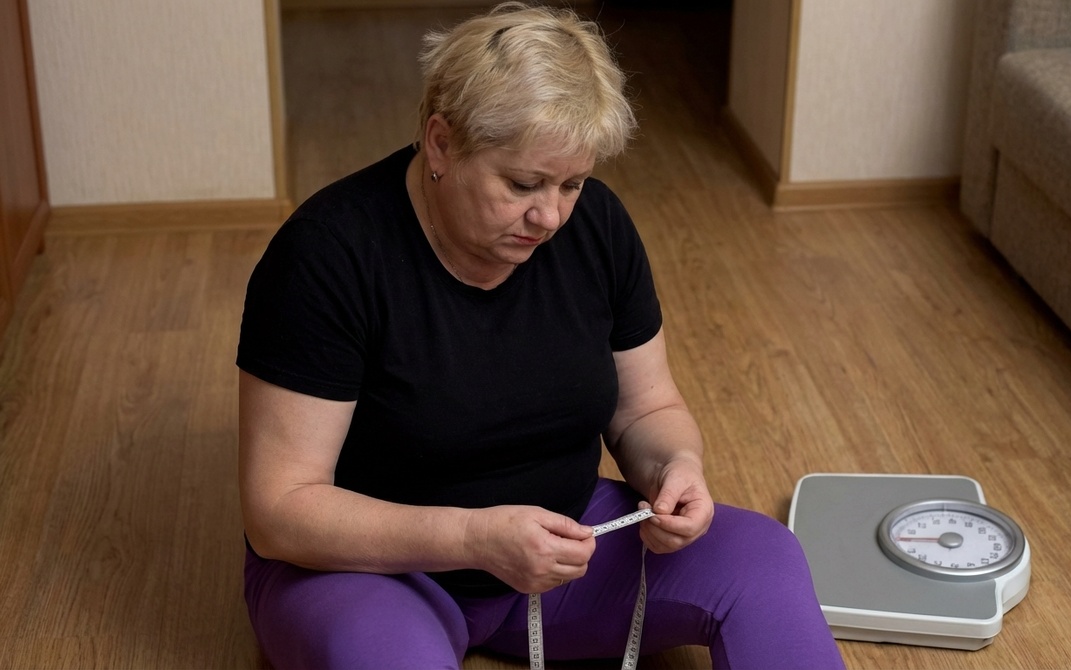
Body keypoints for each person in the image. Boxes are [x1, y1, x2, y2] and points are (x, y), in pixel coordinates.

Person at [236, 3, 844, 668]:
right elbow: (280, 510)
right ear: (440, 143)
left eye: (572, 183)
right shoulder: (327, 257)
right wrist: (473, 539)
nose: (550, 216)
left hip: (558, 550)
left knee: (763, 560)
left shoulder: (597, 228)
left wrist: (676, 467)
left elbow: (646, 408)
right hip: (368, 571)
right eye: (523, 184)